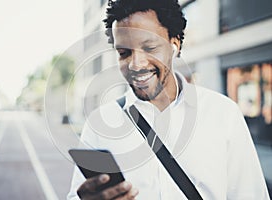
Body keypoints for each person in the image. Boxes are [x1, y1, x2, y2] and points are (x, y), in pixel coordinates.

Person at [67, 0, 270, 199]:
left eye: (149, 48)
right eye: (124, 53)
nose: (136, 65)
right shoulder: (100, 122)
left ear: (174, 45)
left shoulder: (223, 113)